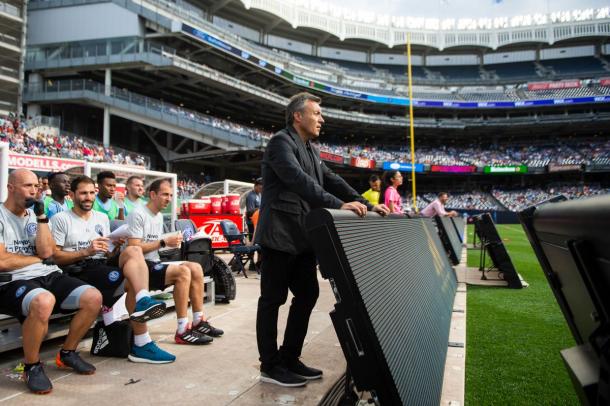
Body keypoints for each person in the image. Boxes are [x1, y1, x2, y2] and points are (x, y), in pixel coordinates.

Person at [255, 92, 390, 387]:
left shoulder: (311, 150)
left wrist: (363, 203)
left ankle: (289, 357)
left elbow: (333, 180)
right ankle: (269, 364)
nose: (322, 119)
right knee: (273, 300)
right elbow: (297, 180)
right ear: (298, 116)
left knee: (307, 295)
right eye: (316, 113)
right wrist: (337, 204)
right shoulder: (281, 142)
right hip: (278, 235)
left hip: (302, 237)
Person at [50, 175, 174, 364]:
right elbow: (55, 257)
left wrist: (114, 246)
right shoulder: (61, 219)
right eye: (83, 193)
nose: (88, 197)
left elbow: (106, 253)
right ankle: (142, 343)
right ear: (72, 195)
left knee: (133, 249)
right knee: (132, 279)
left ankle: (142, 301)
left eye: (92, 193)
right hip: (78, 269)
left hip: (101, 265)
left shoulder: (101, 218)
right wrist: (86, 251)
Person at [0, 169, 102, 394]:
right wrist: (35, 259)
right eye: (28, 186)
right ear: (11, 188)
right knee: (44, 301)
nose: (35, 191)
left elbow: (47, 253)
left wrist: (41, 216)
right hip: (11, 281)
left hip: (48, 274)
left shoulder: (35, 214)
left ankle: (67, 353)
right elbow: (2, 261)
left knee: (93, 298)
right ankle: (32, 366)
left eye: (36, 186)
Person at [127, 178, 224, 347]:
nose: (169, 198)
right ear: (152, 194)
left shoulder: (157, 216)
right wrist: (164, 242)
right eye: (165, 194)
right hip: (139, 268)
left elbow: (154, 247)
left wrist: (168, 242)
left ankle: (198, 321)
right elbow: (133, 249)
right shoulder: (138, 213)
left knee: (195, 267)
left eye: (171, 195)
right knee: (183, 272)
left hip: (154, 262)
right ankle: (182, 331)